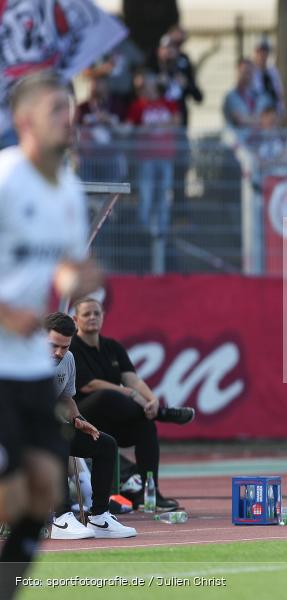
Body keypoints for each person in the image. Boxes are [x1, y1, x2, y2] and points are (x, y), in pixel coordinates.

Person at [0, 70, 101, 595]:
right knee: (11, 497)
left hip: (29, 370)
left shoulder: (66, 187)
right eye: (57, 110)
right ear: (24, 120)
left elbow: (64, 265)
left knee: (42, 495)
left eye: (72, 108)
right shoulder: (5, 180)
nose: (70, 118)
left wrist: (77, 278)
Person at [69, 297, 195, 512]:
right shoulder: (72, 347)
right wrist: (127, 392)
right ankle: (162, 414)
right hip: (83, 417)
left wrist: (152, 400)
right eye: (86, 314)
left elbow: (132, 379)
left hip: (111, 420)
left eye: (96, 313)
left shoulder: (112, 347)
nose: (92, 318)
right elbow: (90, 385)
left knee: (145, 426)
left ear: (103, 317)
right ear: (75, 319)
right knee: (106, 394)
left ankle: (149, 494)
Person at [45, 312, 137, 540]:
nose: (58, 352)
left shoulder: (68, 359)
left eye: (64, 347)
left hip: (50, 430)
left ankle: (99, 517)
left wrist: (79, 420)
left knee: (105, 443)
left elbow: (67, 398)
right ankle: (61, 518)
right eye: (53, 345)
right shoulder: (21, 361)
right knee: (57, 437)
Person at [126, 71, 181, 238]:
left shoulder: (168, 103)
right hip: (146, 159)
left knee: (163, 194)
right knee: (146, 194)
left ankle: (162, 229)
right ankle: (144, 231)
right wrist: (150, 127)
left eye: (147, 86)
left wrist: (154, 126)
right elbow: (130, 127)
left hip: (165, 158)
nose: (144, 90)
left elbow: (176, 121)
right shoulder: (138, 106)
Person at [156, 33, 204, 127]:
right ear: (159, 51)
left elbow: (199, 97)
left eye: (172, 48)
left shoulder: (184, 70)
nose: (169, 51)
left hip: (179, 121)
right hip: (159, 121)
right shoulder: (153, 69)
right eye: (165, 48)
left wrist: (187, 84)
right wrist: (158, 85)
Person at [223, 59, 263, 130]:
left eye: (250, 72)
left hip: (257, 140)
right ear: (237, 72)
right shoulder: (231, 97)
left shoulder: (258, 96)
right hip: (236, 139)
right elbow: (240, 119)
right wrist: (261, 121)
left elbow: (271, 118)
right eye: (244, 72)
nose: (247, 76)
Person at [251, 39, 284, 116]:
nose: (262, 55)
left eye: (265, 52)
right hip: (257, 114)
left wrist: (281, 111)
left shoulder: (274, 73)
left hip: (274, 113)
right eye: (260, 52)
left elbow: (279, 93)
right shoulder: (251, 73)